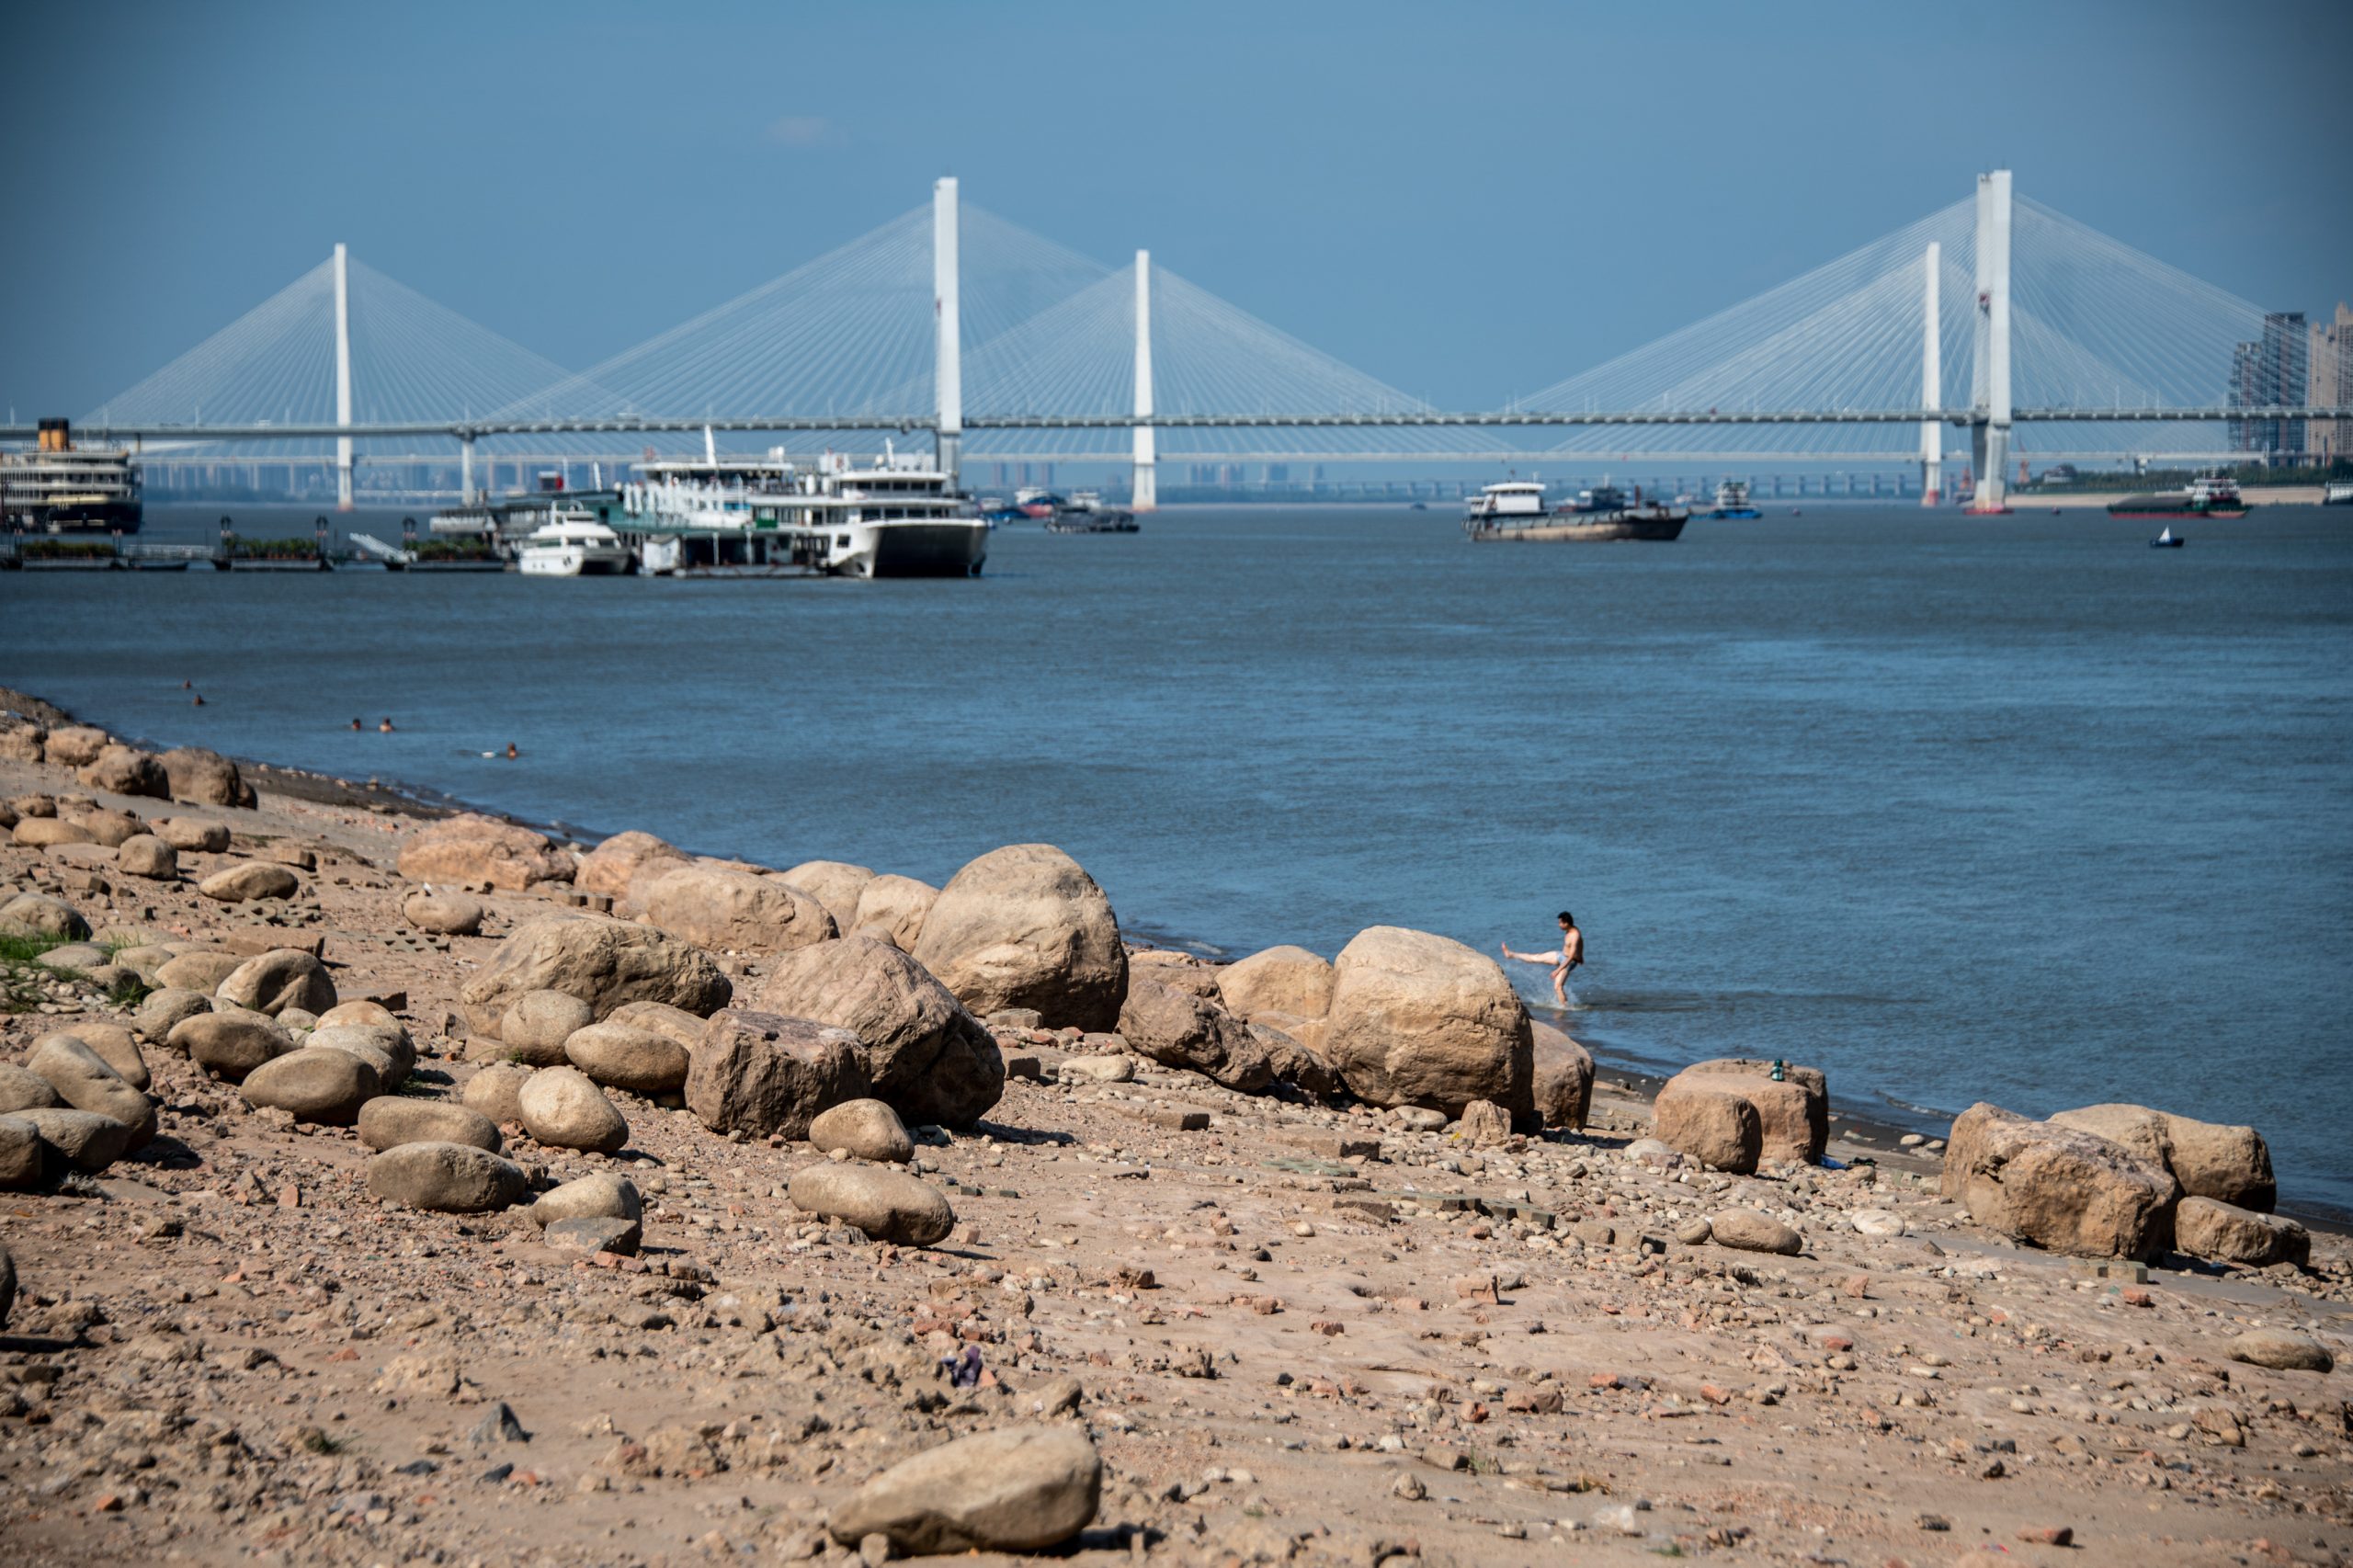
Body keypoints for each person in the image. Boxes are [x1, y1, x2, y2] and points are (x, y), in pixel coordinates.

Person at [1500, 911, 1584, 1006]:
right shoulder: (1570, 930)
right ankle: (1510, 954)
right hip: (1562, 956)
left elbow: (1572, 955)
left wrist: (1558, 970)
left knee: (1558, 987)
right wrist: (1581, 956)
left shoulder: (1575, 935)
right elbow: (1581, 943)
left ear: (1566, 923)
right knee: (1536, 957)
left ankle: (1565, 1009)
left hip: (1569, 962)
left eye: (1560, 923)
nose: (1559, 925)